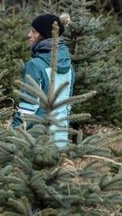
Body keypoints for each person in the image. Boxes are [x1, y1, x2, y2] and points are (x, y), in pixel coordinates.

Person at [11, 13, 74, 147]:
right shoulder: (69, 67)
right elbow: (67, 107)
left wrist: (14, 134)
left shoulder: (35, 65)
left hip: (36, 141)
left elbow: (28, 108)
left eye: (34, 31)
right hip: (60, 138)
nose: (29, 35)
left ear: (44, 35)